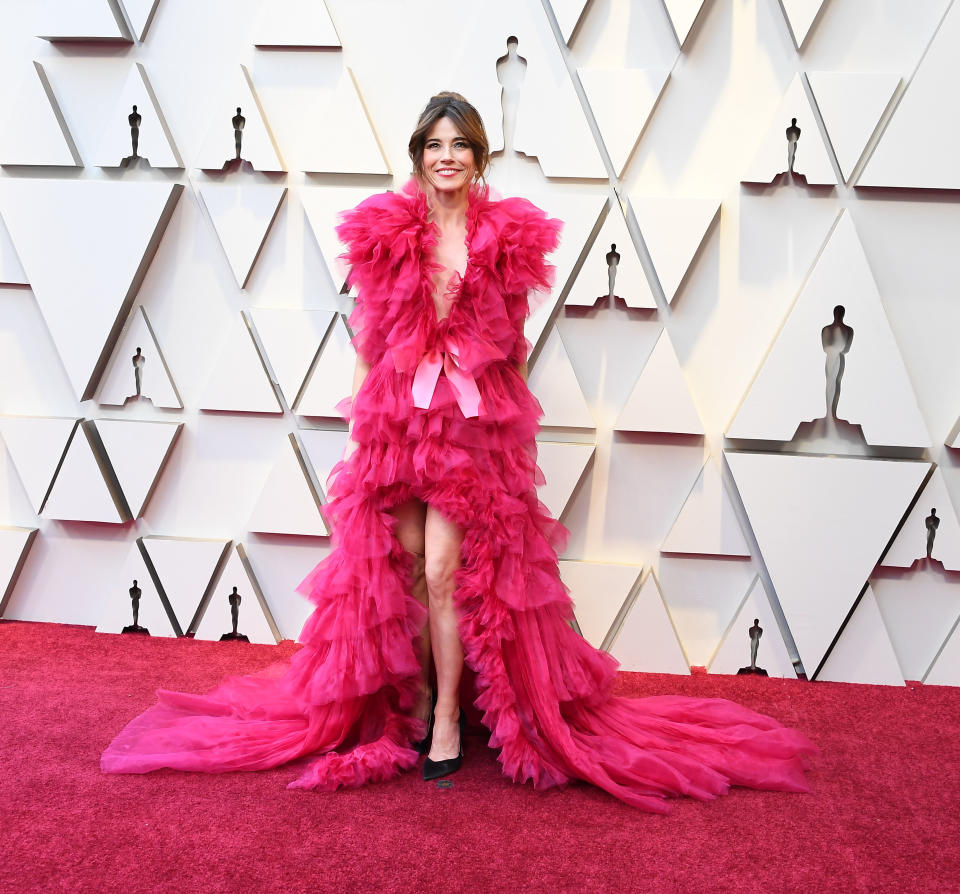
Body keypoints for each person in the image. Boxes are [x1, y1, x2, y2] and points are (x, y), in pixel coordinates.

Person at [101, 93, 816, 812]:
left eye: (462, 145)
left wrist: (504, 435)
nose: (448, 156)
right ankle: (406, 709)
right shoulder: (387, 232)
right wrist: (361, 429)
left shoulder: (506, 238)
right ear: (420, 155)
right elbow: (370, 338)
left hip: (468, 429)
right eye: (436, 144)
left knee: (445, 569)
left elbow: (512, 351)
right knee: (403, 564)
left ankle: (446, 717)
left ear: (478, 158)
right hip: (395, 419)